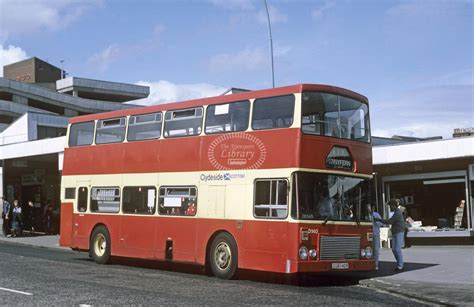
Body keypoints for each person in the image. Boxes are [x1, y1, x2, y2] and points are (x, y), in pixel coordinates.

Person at [376, 198, 405, 271]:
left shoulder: (398, 212)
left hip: (399, 232)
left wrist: (379, 220)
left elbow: (390, 221)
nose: (390, 207)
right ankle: (399, 264)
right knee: (394, 249)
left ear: (394, 205)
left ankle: (400, 265)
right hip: (395, 232)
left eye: (390, 206)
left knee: (397, 249)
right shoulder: (396, 212)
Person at [370, 205, 383, 270]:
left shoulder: (376, 214)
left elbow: (381, 223)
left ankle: (376, 264)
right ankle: (369, 263)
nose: (370, 208)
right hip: (369, 234)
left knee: (376, 249)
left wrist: (376, 221)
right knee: (370, 249)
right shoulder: (366, 215)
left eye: (371, 207)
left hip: (376, 233)